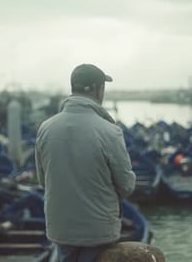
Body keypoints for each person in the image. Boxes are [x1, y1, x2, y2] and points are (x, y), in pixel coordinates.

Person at [35, 63, 136, 262]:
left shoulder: (45, 129)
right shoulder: (109, 131)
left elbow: (43, 181)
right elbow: (126, 186)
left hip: (60, 229)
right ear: (99, 90)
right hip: (98, 232)